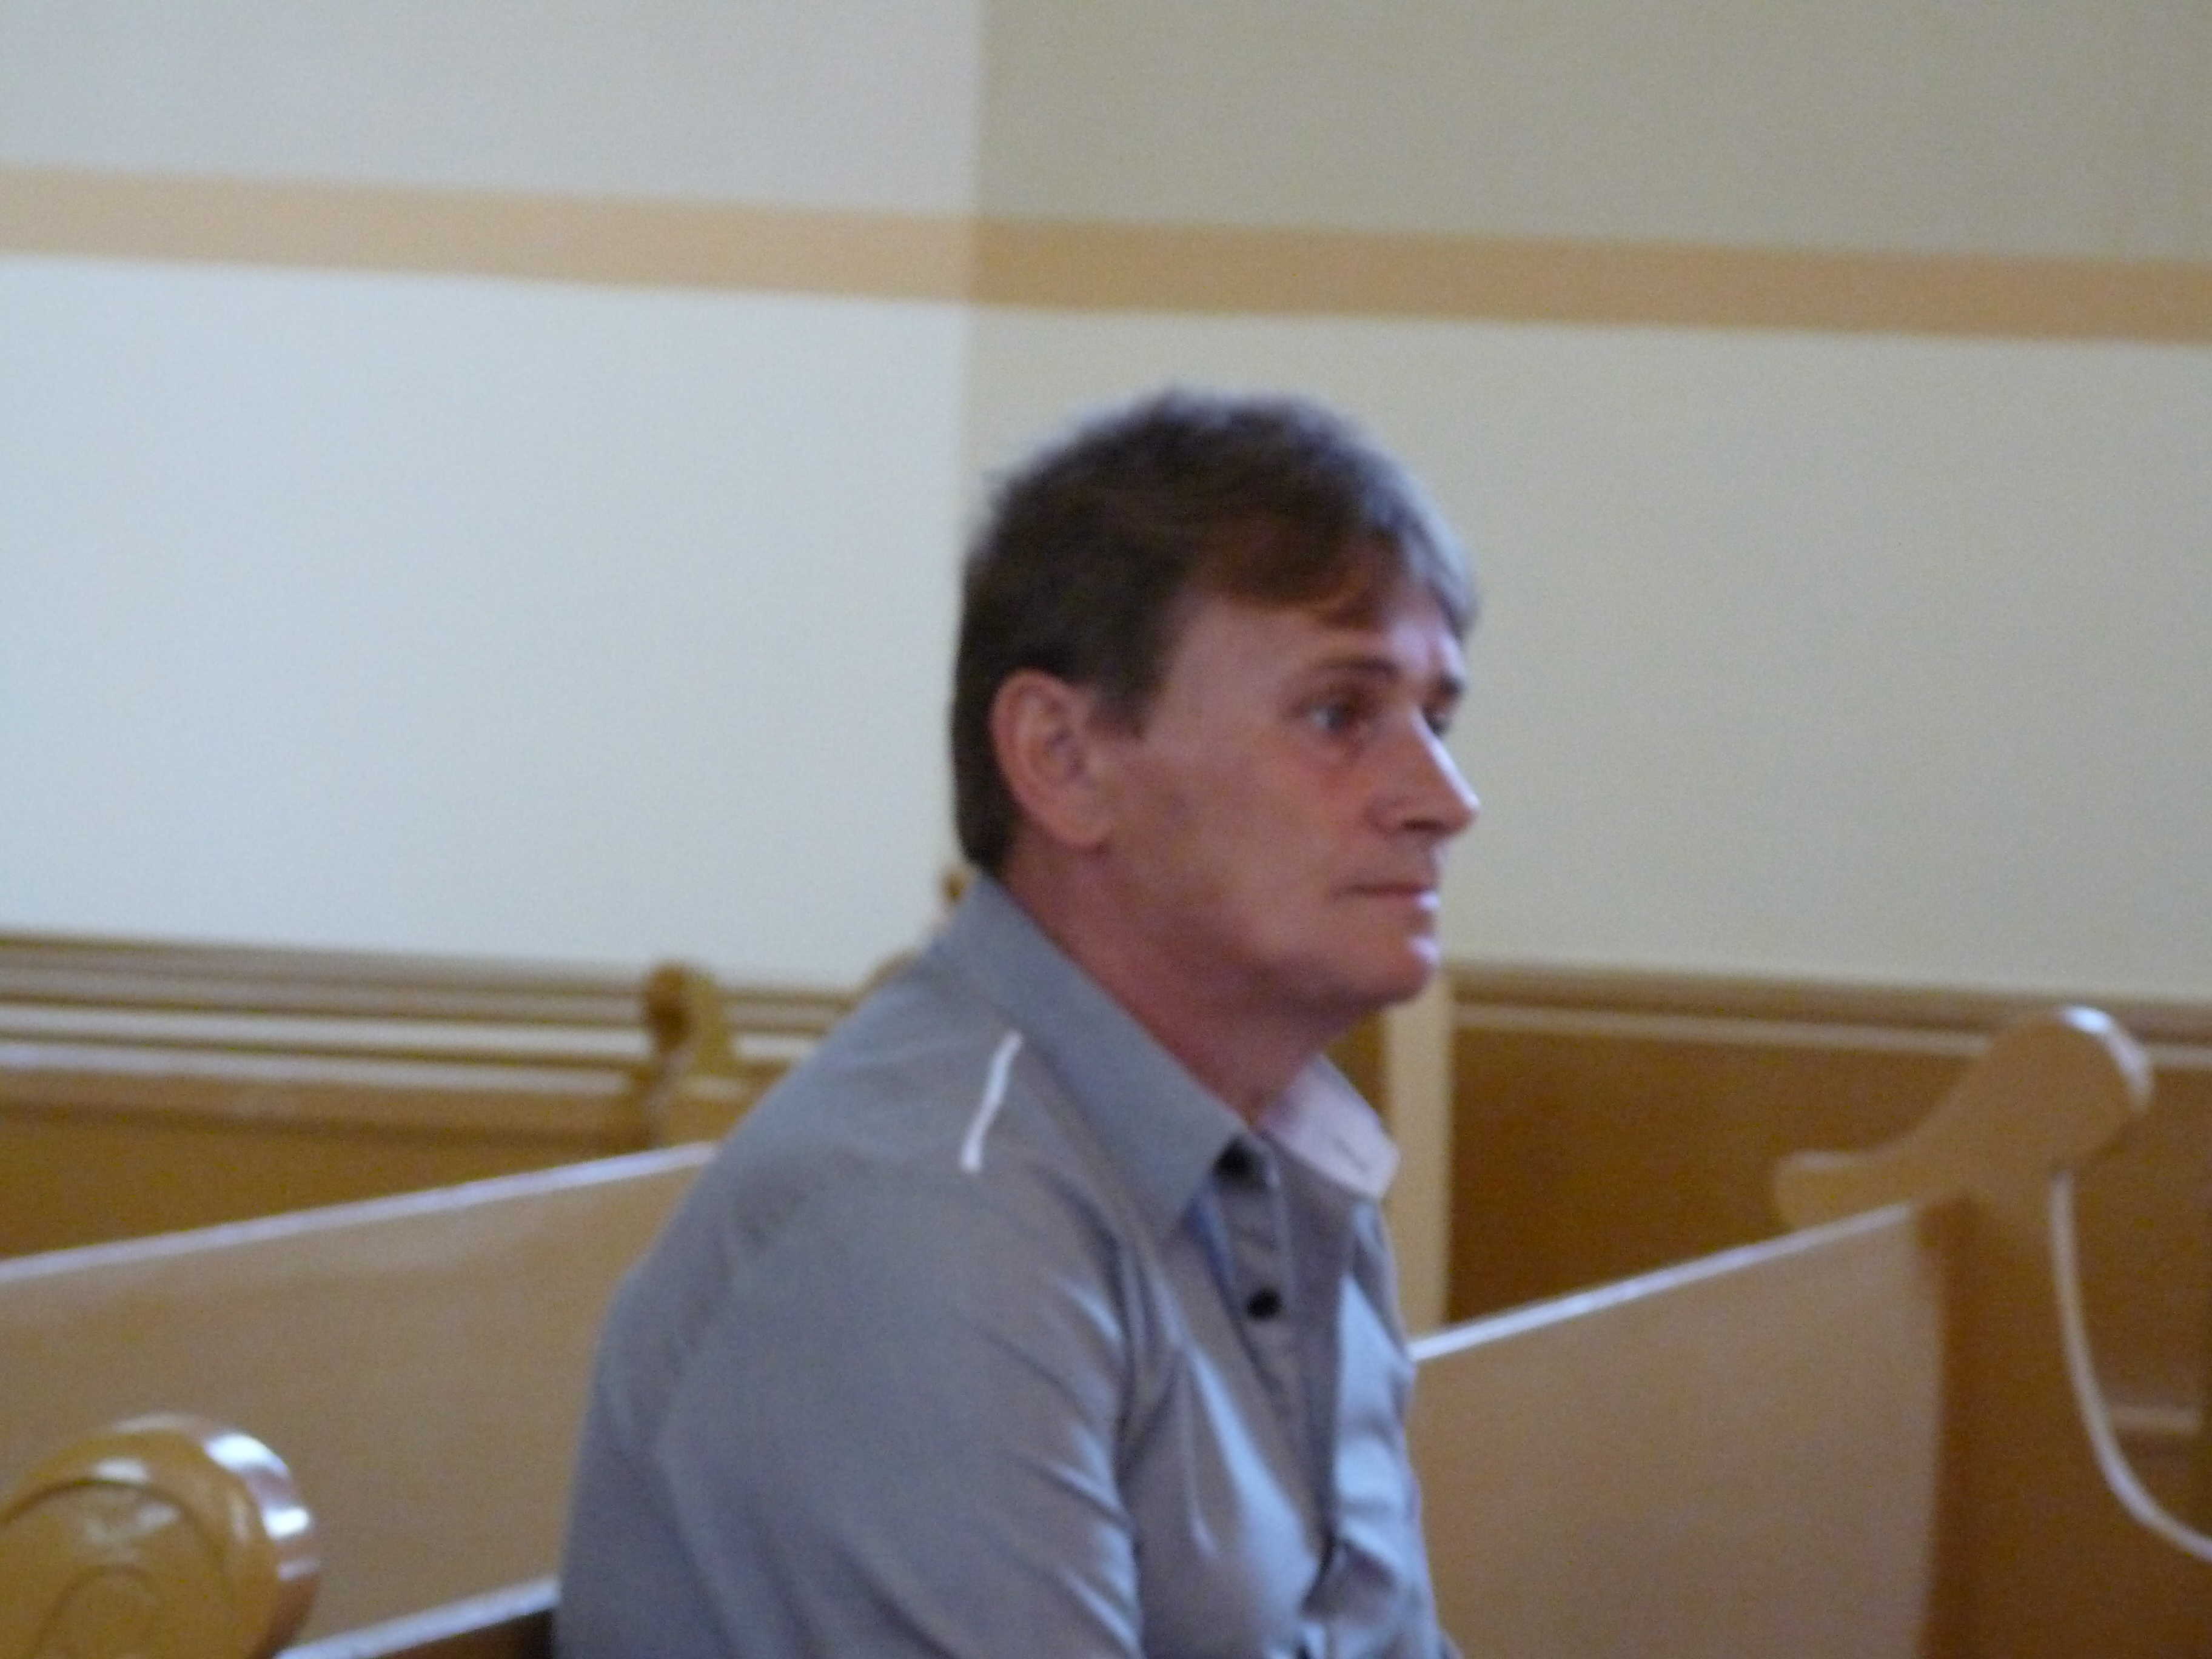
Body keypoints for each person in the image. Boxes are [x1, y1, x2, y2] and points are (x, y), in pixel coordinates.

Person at [557, 388, 1481, 1658]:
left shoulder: (1284, 1159)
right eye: (1340, 714)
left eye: (1438, 720)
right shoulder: (925, 1210)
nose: (1445, 797)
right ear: (1063, 758)